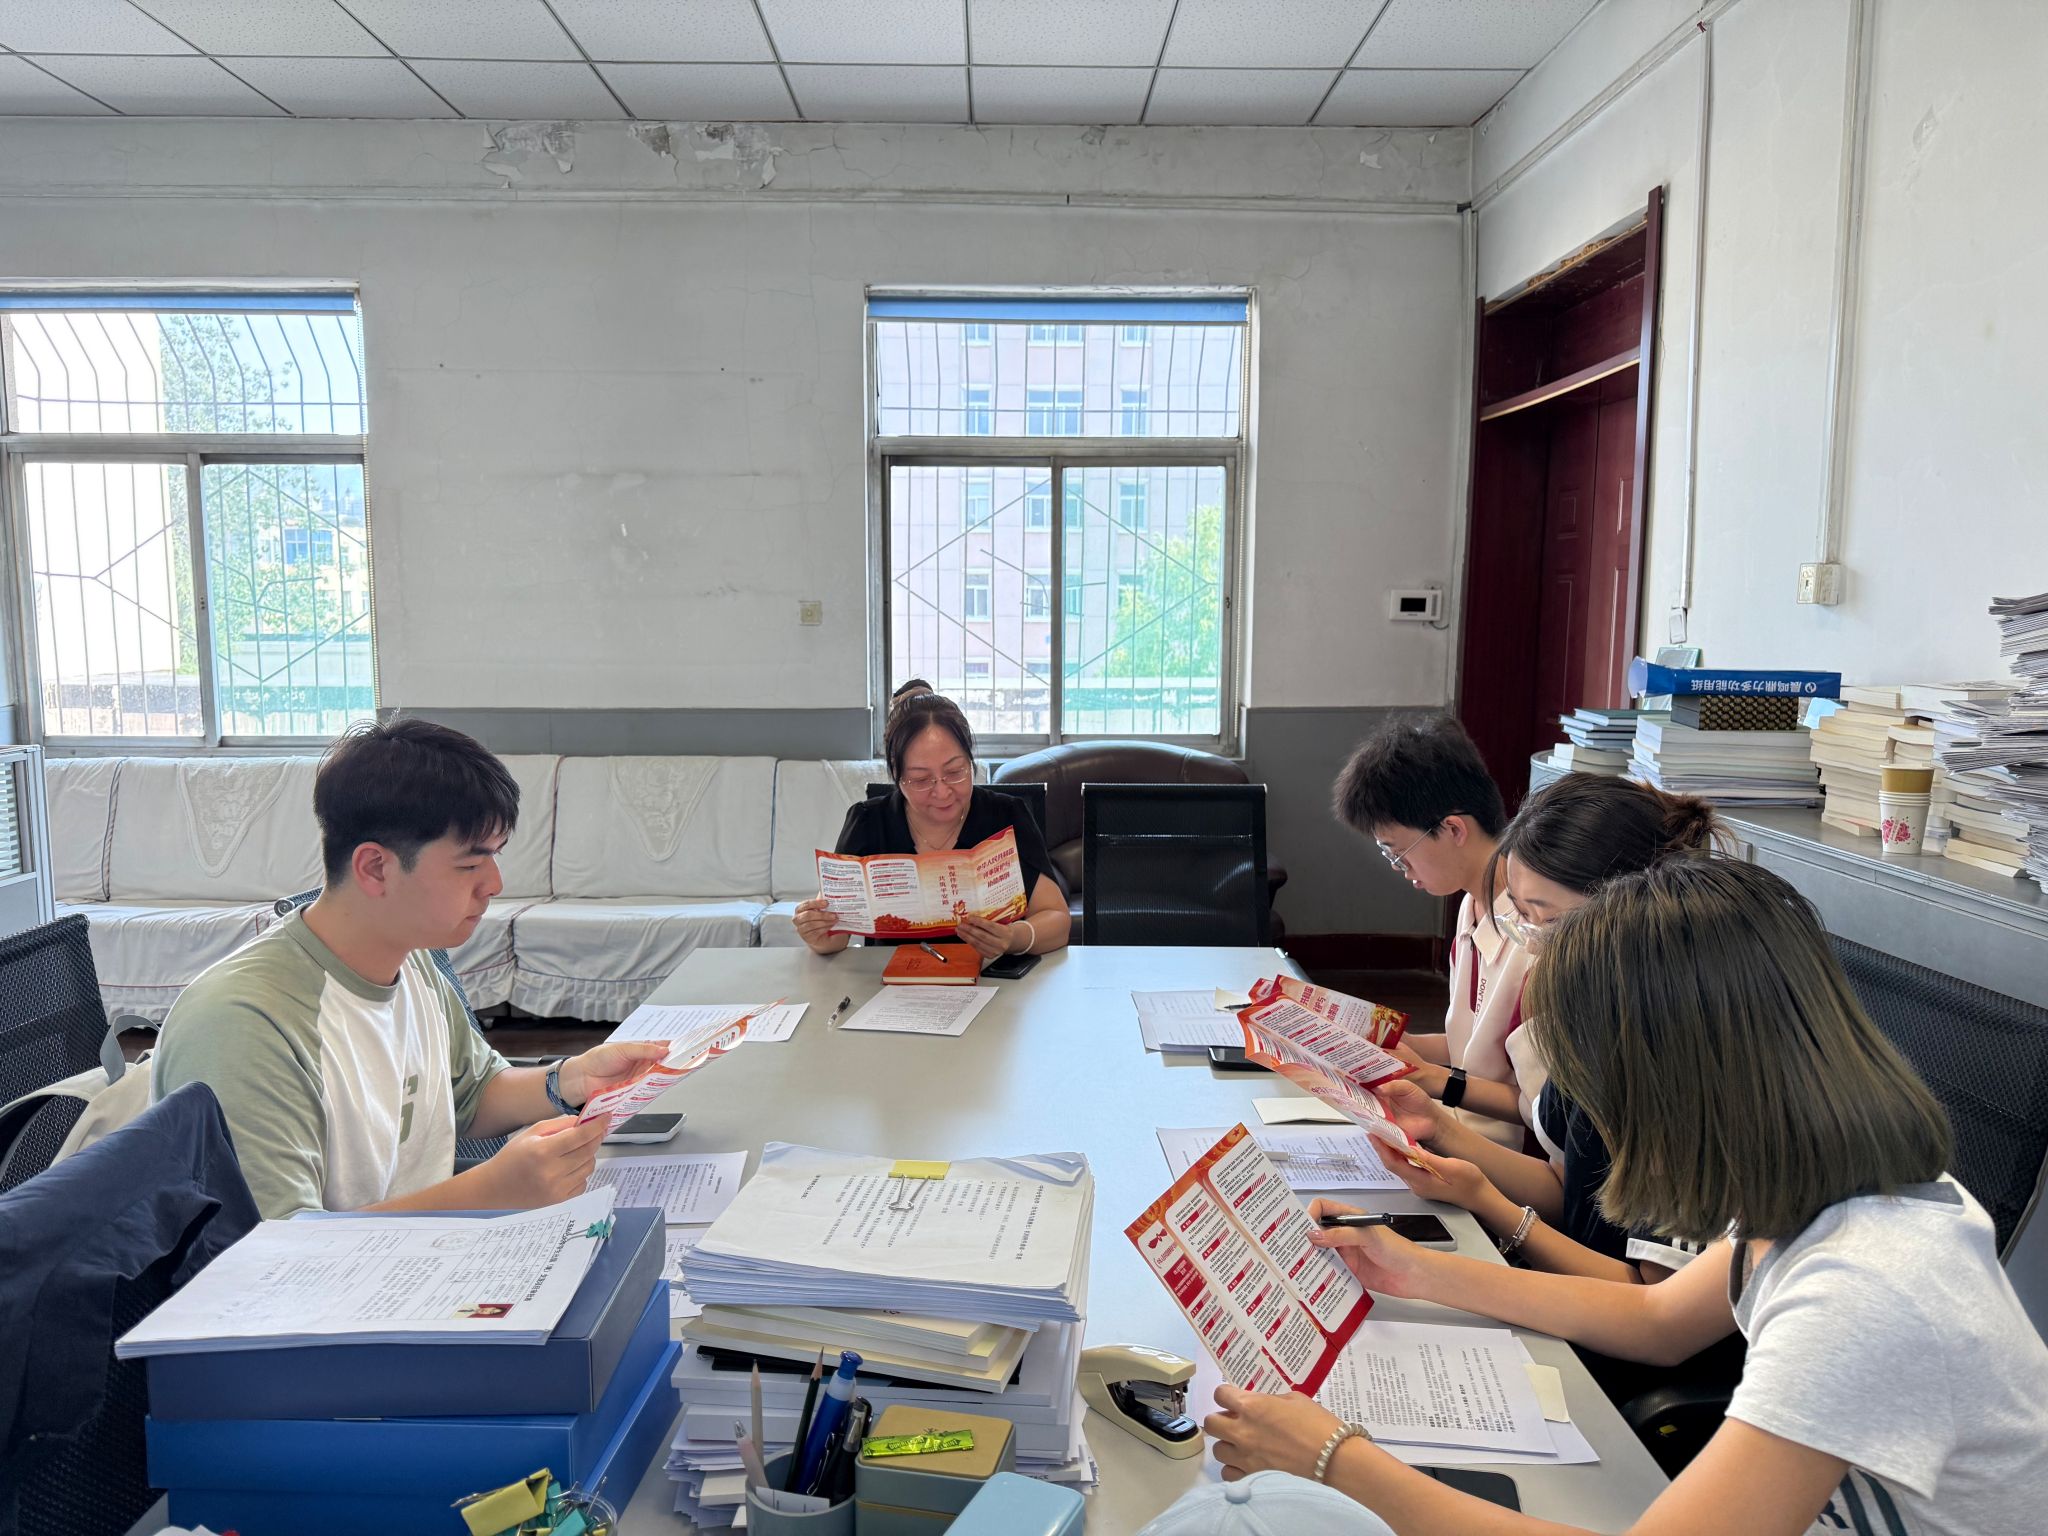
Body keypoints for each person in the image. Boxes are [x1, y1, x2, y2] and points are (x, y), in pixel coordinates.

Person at [1208, 858, 2048, 1535]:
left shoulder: (1864, 1286)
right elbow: (1657, 1320)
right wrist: (1414, 1271)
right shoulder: (1838, 1186)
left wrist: (1338, 1461)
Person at [153, 719, 674, 1221]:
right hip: (345, 1279)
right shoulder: (243, 1023)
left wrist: (572, 1079)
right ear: (375, 867)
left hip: (425, 1257)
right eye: (470, 864)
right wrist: (491, 1193)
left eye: (494, 857)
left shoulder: (412, 956)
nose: (494, 884)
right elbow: (272, 1250)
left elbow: (471, 1093)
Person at [1373, 775, 1726, 1283]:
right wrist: (1440, 1129)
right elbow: (1569, 1188)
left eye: (1549, 922)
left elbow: (1652, 1299)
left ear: (1636, 910)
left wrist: (1489, 1215)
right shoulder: (1591, 1022)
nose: (1533, 945)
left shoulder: (1680, 1063)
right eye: (1522, 917)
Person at [1332, 716, 1529, 1145]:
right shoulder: (1471, 906)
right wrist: (1385, 1044)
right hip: (1448, 1129)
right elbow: (1471, 1049)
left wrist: (1431, 1078)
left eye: (1398, 852)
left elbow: (1541, 1109)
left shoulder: (1532, 934)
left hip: (1494, 1156)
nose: (1400, 869)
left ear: (1453, 829)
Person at [792, 691, 1069, 960]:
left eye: (955, 772)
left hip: (993, 981)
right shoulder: (867, 822)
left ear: (970, 761)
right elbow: (834, 936)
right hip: (890, 985)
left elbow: (1057, 918)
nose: (942, 792)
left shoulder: (1005, 816)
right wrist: (817, 932)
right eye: (921, 780)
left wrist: (1013, 938)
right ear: (897, 775)